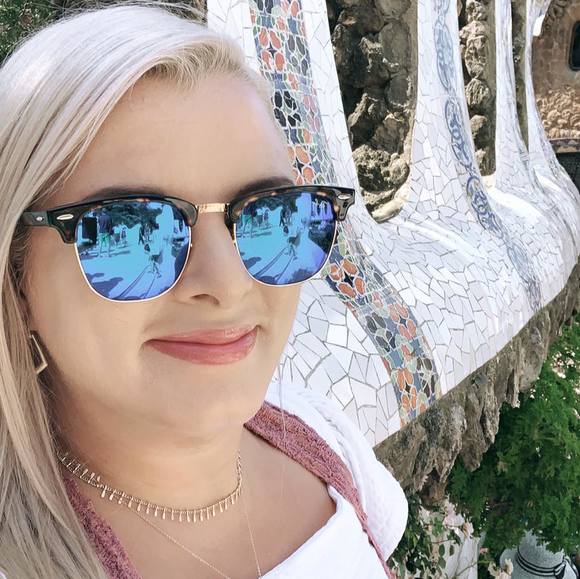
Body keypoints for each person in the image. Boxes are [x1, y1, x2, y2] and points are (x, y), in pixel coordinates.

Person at [0, 3, 408, 578]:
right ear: (17, 278)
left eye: (271, 215)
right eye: (131, 230)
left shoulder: (322, 440)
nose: (227, 283)